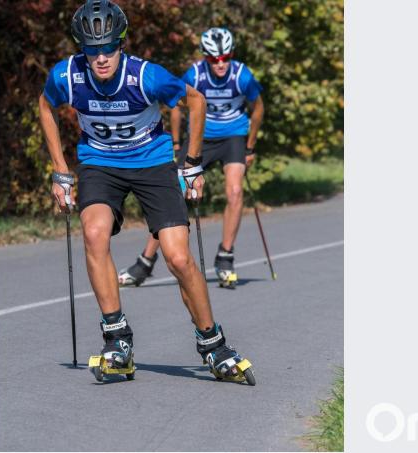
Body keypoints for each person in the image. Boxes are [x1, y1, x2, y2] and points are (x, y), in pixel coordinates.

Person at [39, 1, 252, 382]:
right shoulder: (67, 76)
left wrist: (192, 162)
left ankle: (214, 344)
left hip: (152, 164)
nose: (101, 58)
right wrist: (59, 170)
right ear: (81, 48)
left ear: (121, 43)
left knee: (178, 257)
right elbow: (45, 105)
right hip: (100, 164)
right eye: (92, 49)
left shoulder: (145, 76)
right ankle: (116, 337)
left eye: (108, 47)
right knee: (93, 232)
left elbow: (196, 100)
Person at [118, 27, 264, 289]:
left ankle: (225, 256)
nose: (220, 64)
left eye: (225, 57)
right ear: (205, 57)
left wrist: (250, 147)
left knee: (234, 191)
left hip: (233, 136)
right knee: (174, 192)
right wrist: (175, 142)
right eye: (213, 59)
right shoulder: (195, 74)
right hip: (201, 138)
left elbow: (258, 108)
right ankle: (145, 262)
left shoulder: (242, 75)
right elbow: (176, 106)